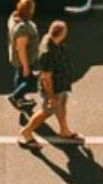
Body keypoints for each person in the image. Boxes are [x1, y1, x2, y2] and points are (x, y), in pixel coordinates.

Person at [18, 21, 79, 149]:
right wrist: (51, 97)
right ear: (61, 34)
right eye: (65, 31)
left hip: (61, 84)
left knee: (62, 105)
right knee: (47, 111)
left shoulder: (54, 41)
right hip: (53, 88)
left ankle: (64, 130)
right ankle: (27, 131)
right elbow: (46, 78)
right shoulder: (48, 52)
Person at [7, 0, 39, 113]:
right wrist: (26, 66)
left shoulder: (13, 17)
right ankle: (15, 96)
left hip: (14, 57)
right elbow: (21, 48)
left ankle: (20, 99)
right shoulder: (23, 28)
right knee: (29, 81)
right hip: (24, 59)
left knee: (19, 76)